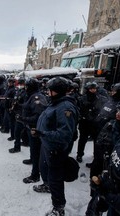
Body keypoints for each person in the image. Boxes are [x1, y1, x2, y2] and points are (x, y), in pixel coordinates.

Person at [32, 77, 78, 216]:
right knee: (45, 169)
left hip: (57, 149)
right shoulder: (55, 103)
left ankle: (59, 207)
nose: (47, 92)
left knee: (56, 178)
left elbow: (64, 135)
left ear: (57, 91)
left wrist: (43, 133)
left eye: (50, 90)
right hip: (47, 144)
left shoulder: (65, 107)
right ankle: (47, 185)